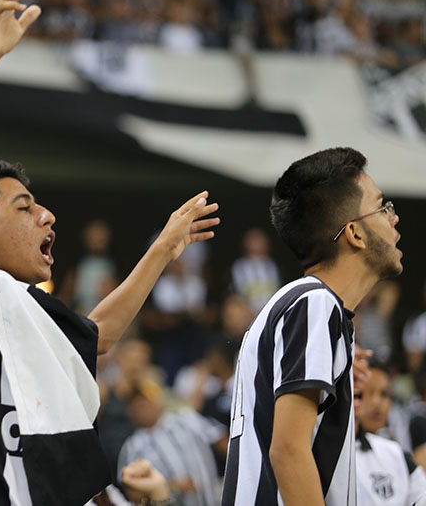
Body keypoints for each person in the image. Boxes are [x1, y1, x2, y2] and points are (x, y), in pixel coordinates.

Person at [0, 0, 220, 505]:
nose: (47, 216)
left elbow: (98, 337)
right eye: (24, 207)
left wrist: (163, 250)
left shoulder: (27, 307)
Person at [222, 147, 401, 506]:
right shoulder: (315, 303)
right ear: (355, 233)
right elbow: (288, 452)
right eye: (383, 207)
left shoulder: (303, 304)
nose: (394, 219)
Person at [118, 383, 226, 506]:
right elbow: (132, 492)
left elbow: (221, 441)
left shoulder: (186, 421)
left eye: (144, 403)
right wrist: (172, 485)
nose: (141, 410)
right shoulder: (132, 446)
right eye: (135, 406)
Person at [355, 362, 426, 506]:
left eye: (384, 394)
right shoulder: (330, 452)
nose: (377, 403)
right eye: (368, 392)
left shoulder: (396, 454)